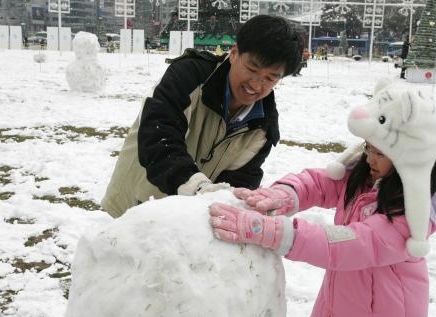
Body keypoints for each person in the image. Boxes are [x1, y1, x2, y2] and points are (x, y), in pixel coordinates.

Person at [209, 82, 436, 317]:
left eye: (381, 153)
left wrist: (271, 232)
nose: (370, 158)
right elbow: (318, 183)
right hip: (340, 315)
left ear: (410, 156)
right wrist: (283, 194)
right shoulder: (365, 178)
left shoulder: (409, 217)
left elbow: (348, 245)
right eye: (368, 148)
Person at [101, 15, 304, 218]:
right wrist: (198, 187)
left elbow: (240, 183)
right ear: (234, 53)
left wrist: (237, 206)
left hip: (187, 228)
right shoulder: (190, 77)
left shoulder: (263, 127)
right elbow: (158, 138)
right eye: (252, 69)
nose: (256, 85)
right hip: (131, 209)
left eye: (270, 78)